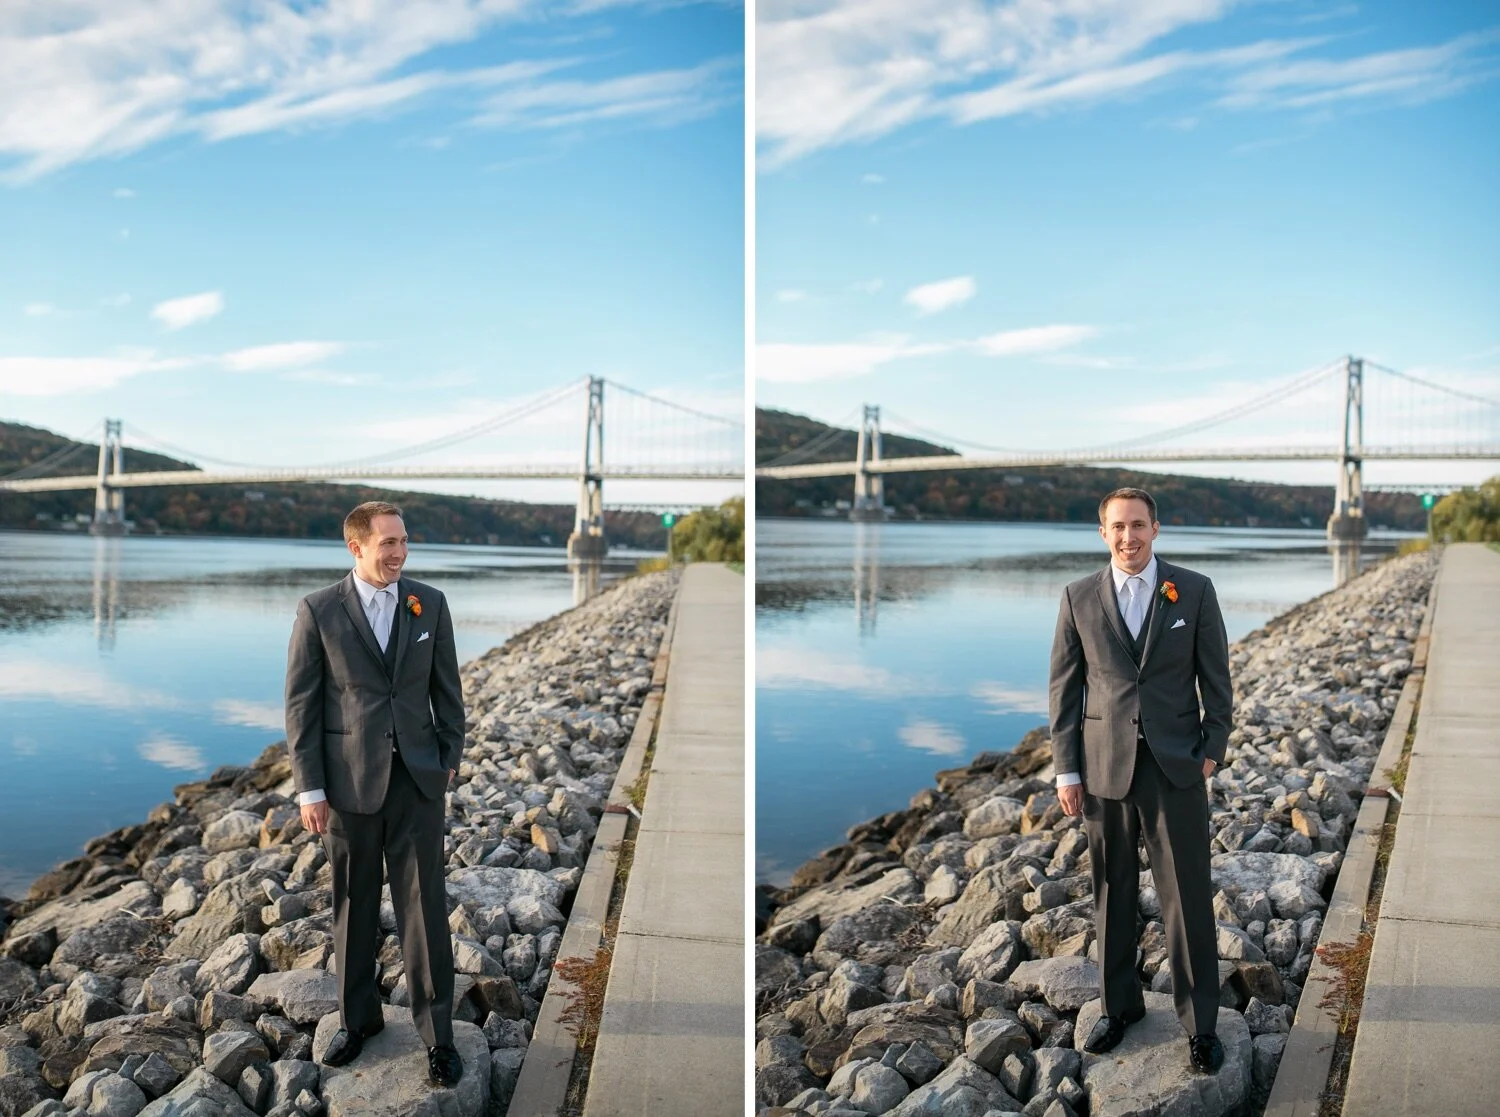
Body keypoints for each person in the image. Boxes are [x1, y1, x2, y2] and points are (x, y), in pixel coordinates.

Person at [1047, 487, 1232, 1074]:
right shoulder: (1078, 598)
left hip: (1177, 766)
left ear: (1157, 529)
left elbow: (1217, 680)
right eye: (1118, 527)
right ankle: (1119, 1006)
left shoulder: (1194, 591)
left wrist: (1212, 750)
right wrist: (1066, 769)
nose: (1129, 537)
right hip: (1103, 770)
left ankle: (1201, 1023)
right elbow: (1064, 691)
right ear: (1103, 533)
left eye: (1139, 526)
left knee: (1187, 897)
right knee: (1112, 890)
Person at [284, 500, 466, 1089]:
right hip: (347, 788)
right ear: (356, 547)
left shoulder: (429, 604)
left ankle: (438, 1036)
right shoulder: (318, 611)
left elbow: (449, 695)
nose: (400, 552)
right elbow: (302, 708)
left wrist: (446, 762)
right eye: (387, 543)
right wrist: (310, 789)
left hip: (417, 784)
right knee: (353, 908)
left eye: (404, 540)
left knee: (425, 912)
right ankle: (356, 1021)